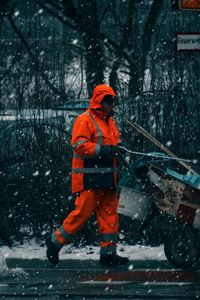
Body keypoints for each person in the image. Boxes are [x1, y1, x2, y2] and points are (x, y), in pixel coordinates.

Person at [46, 84, 129, 266]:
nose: (112, 104)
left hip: (108, 179)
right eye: (109, 101)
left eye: (112, 101)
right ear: (100, 102)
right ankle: (54, 242)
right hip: (90, 179)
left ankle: (108, 254)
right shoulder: (85, 119)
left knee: (110, 216)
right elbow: (79, 145)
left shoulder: (110, 121)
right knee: (82, 214)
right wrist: (106, 150)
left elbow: (114, 143)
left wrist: (119, 148)